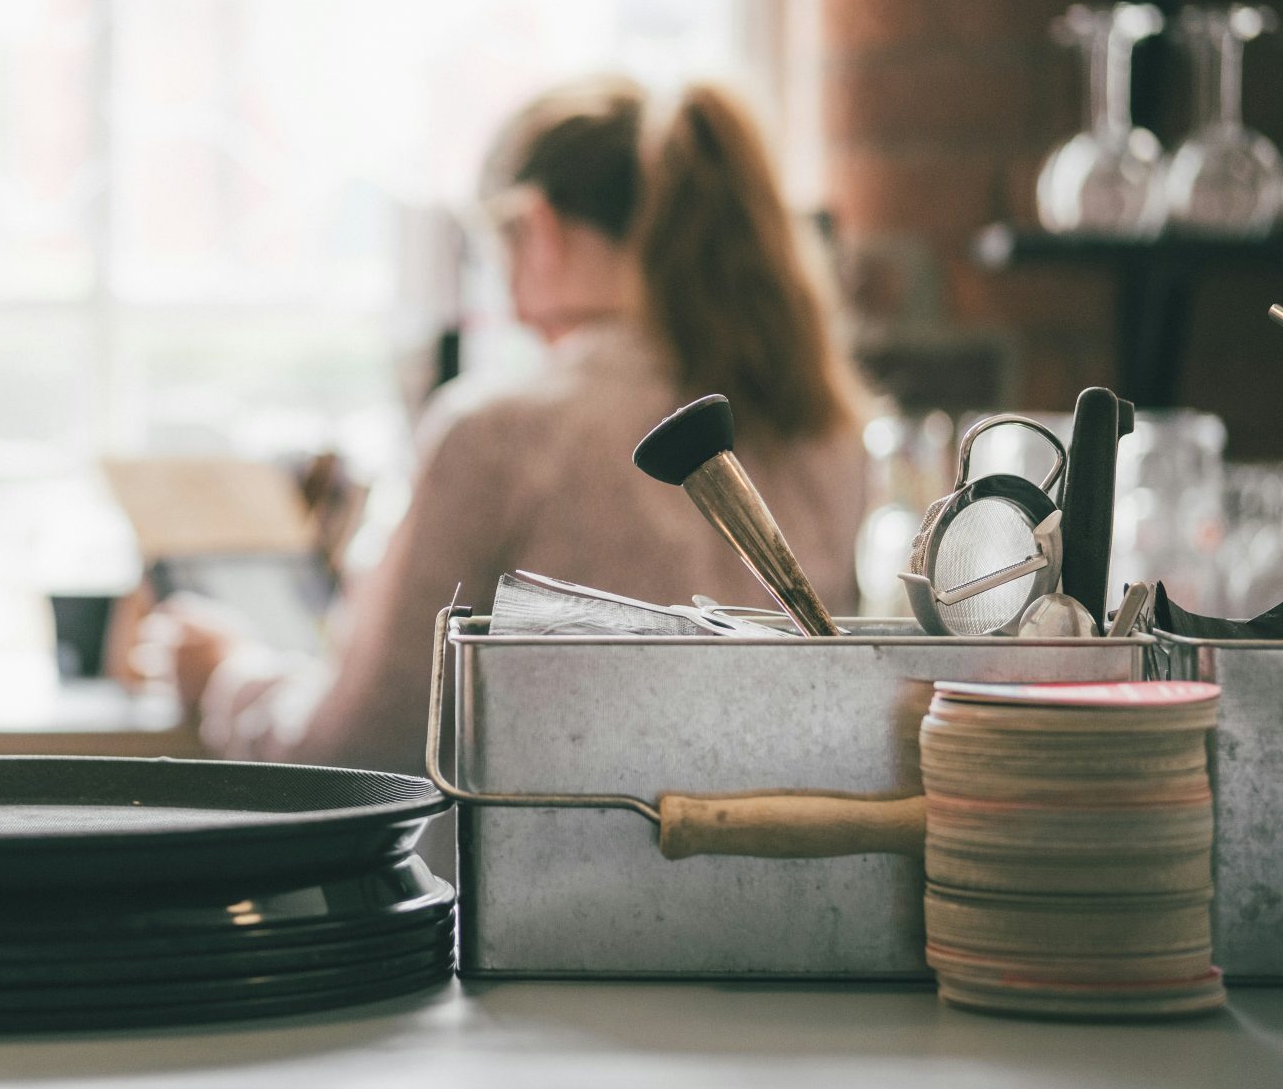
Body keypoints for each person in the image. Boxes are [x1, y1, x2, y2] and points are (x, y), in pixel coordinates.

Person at [133, 74, 871, 778]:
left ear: (537, 230)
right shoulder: (826, 432)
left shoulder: (499, 436)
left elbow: (358, 749)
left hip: (541, 901)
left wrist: (229, 676)